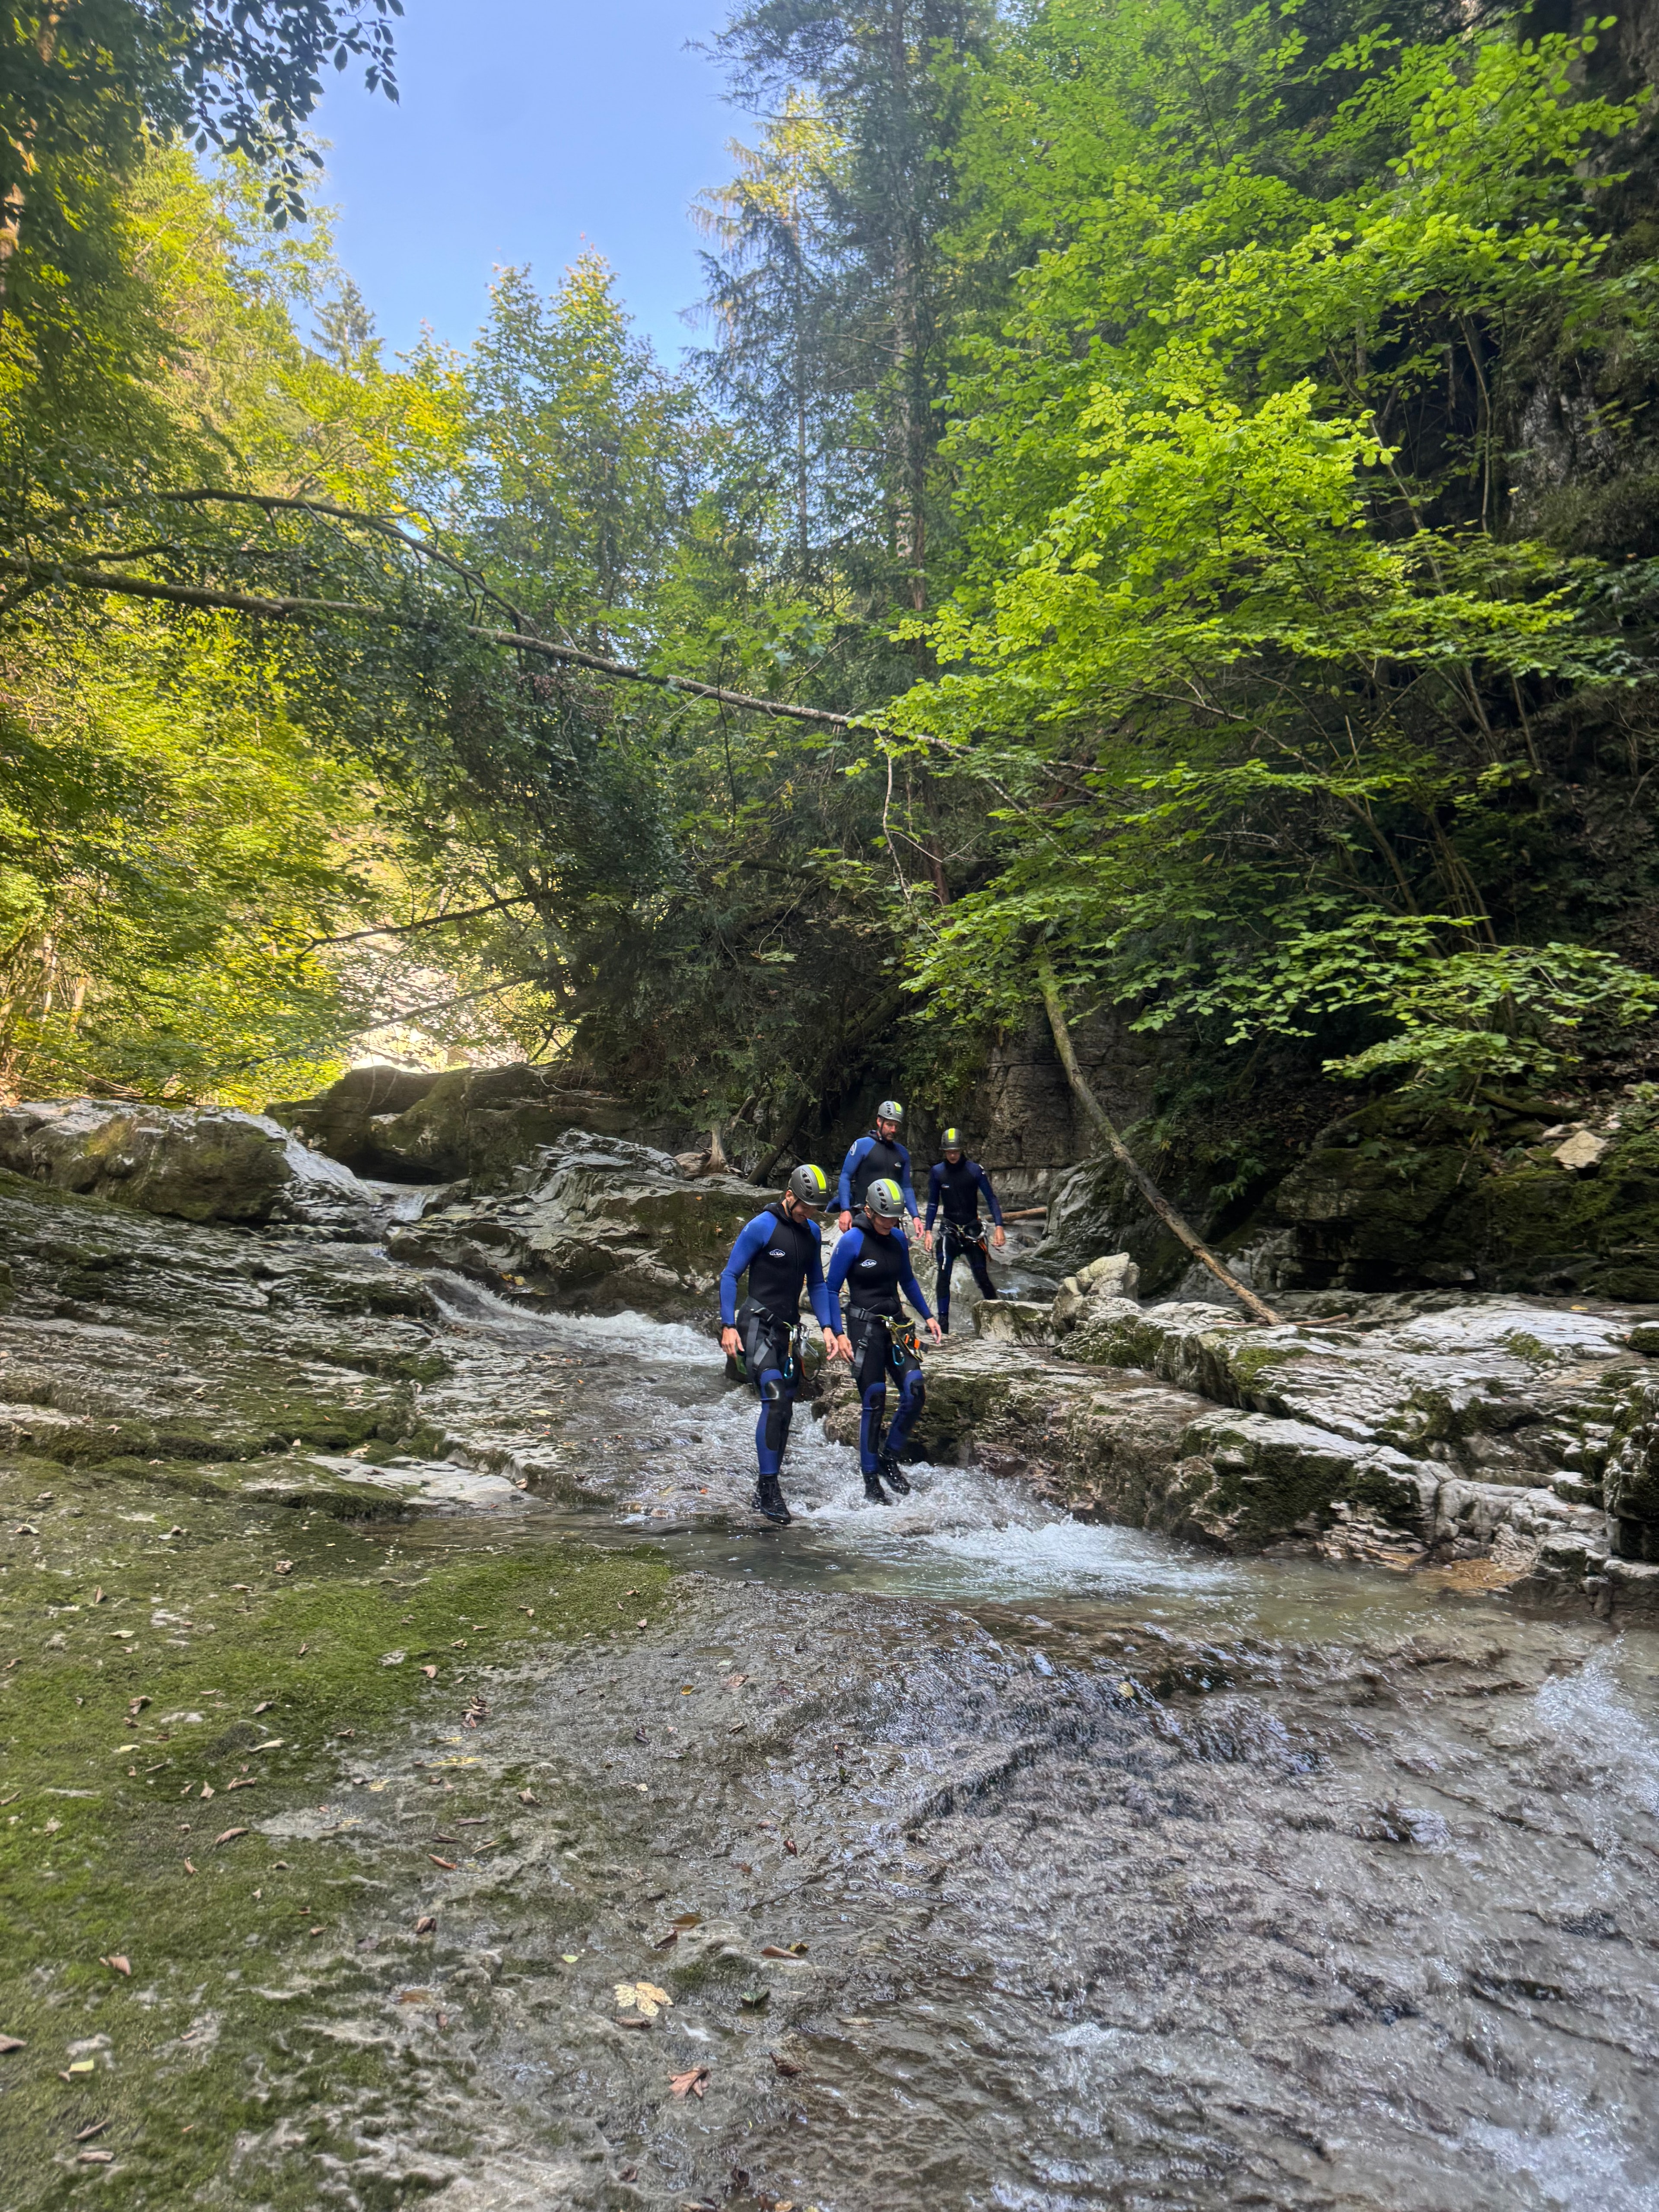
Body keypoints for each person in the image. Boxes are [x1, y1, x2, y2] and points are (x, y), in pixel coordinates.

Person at [718, 1163, 849, 1526]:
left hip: (788, 1331)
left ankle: (768, 1481)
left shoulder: (810, 1233)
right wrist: (728, 1326)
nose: (810, 1213)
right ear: (790, 1196)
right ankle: (768, 1486)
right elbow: (730, 1275)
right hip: (756, 1323)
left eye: (815, 1208)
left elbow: (819, 1286)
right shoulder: (761, 1226)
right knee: (774, 1396)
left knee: (786, 1408)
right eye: (806, 1206)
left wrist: (829, 1328)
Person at [825, 1175, 942, 1504]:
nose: (891, 1223)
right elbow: (831, 1289)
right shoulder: (852, 1242)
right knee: (874, 1400)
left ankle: (889, 1458)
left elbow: (908, 1279)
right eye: (886, 1217)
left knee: (915, 1390)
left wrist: (928, 1316)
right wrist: (836, 1332)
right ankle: (870, 1479)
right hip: (865, 1331)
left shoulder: (898, 1239)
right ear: (870, 1211)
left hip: (896, 1327)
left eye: (895, 1218)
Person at [925, 1126, 1006, 1333]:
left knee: (981, 1275)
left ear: (961, 1150)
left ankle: (997, 1316)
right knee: (944, 1272)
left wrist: (999, 1227)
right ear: (944, 1151)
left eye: (956, 1151)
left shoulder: (974, 1171)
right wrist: (927, 1231)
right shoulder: (937, 1173)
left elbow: (991, 1199)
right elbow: (933, 1204)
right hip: (949, 1229)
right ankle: (943, 1322)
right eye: (949, 1152)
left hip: (972, 1230)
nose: (952, 1155)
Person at [836, 1099, 931, 1252]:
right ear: (879, 1121)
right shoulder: (863, 1145)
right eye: (889, 1125)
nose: (893, 1130)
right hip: (863, 1216)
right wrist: (845, 1210)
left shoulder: (902, 1154)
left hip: (890, 1220)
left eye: (896, 1126)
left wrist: (916, 1217)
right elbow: (845, 1177)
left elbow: (906, 1187)